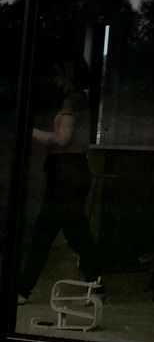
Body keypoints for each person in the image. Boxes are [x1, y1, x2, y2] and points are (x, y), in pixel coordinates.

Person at [17, 52, 102, 304]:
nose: (55, 80)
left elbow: (63, 139)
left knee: (47, 232)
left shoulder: (73, 101)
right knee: (74, 233)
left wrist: (30, 132)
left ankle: (23, 290)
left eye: (58, 74)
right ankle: (95, 284)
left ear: (68, 75)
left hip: (66, 173)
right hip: (69, 173)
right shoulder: (77, 100)